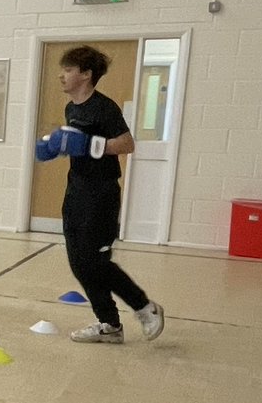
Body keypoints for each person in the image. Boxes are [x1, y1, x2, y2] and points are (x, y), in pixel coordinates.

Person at [36, 45, 165, 343]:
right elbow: (76, 144)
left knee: (95, 262)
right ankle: (109, 325)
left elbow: (127, 144)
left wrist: (94, 146)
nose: (62, 75)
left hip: (101, 195)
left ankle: (145, 307)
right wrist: (55, 147)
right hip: (76, 192)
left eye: (68, 70)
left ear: (86, 74)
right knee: (79, 263)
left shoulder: (104, 108)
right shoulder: (72, 108)